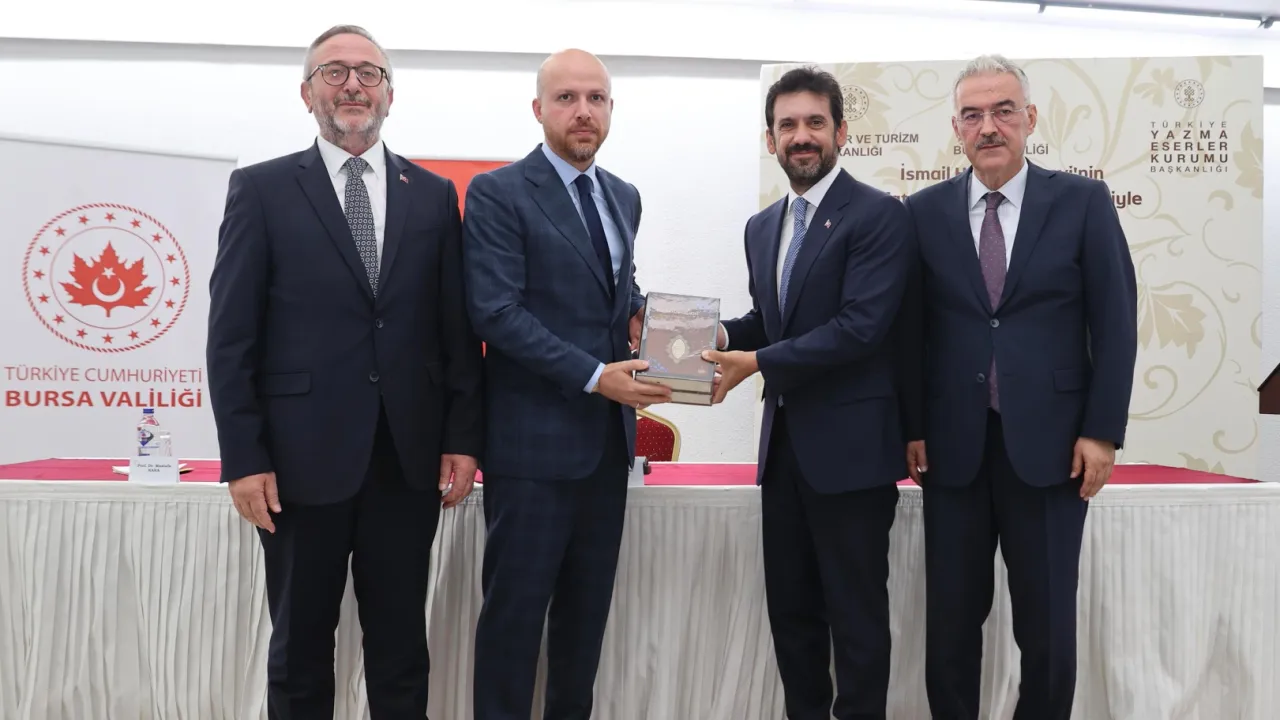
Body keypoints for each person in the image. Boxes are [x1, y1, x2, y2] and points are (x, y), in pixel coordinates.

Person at [205, 24, 483, 720]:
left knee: (401, 647)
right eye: (334, 72)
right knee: (300, 649)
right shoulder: (262, 189)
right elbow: (231, 338)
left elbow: (454, 328)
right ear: (307, 93)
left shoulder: (432, 195)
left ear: (390, 93)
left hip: (406, 459)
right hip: (297, 464)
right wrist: (243, 456)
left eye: (369, 73)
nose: (353, 84)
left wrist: (462, 436)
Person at [899, 54, 1137, 719]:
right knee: (950, 623)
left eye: (1004, 111)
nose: (989, 126)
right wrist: (912, 427)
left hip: (1055, 451)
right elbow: (910, 333)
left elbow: (1115, 324)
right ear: (956, 128)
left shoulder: (1083, 202)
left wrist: (1102, 432)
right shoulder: (923, 213)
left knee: (1048, 626)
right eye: (973, 114)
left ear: (1029, 118)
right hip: (953, 451)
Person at [701, 66, 916, 720]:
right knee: (792, 618)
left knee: (855, 621)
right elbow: (772, 320)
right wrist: (707, 335)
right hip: (785, 457)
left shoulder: (879, 216)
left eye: (815, 123)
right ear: (770, 139)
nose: (802, 136)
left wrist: (755, 362)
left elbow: (860, 328)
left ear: (840, 132)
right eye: (787, 124)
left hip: (852, 458)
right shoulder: (761, 227)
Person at [462, 48, 670, 720]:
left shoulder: (623, 195)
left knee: (584, 629)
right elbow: (496, 313)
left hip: (606, 452)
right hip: (533, 450)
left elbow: (613, 292)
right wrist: (594, 376)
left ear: (611, 109)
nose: (584, 111)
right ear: (538, 109)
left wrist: (650, 319)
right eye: (567, 98)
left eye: (596, 98)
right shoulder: (498, 193)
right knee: (514, 625)